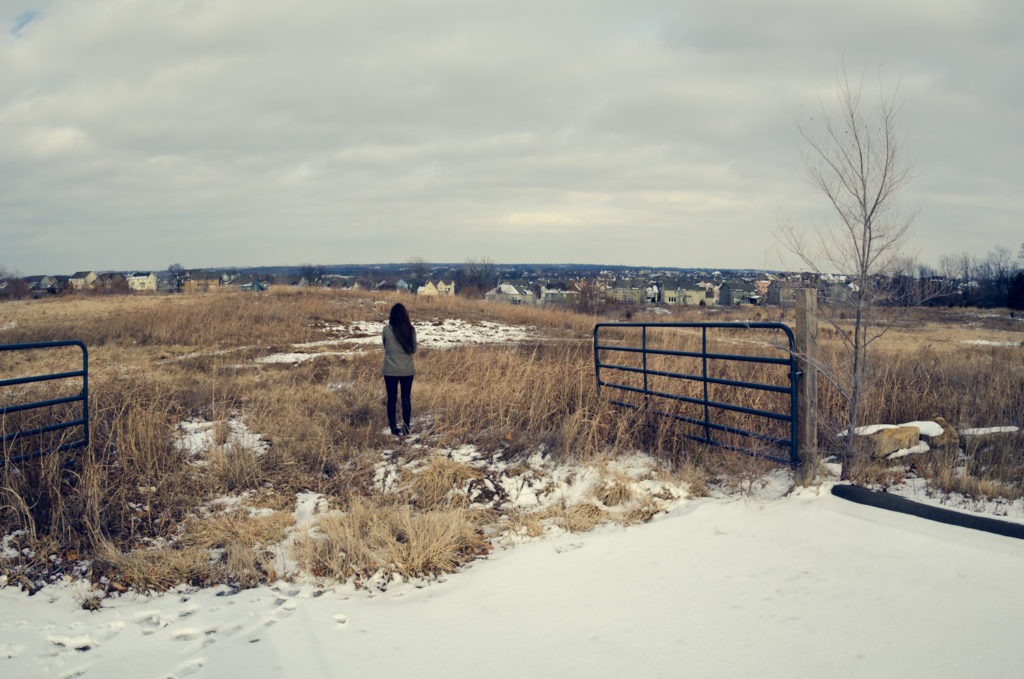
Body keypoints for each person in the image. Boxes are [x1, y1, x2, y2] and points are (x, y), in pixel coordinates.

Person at [382, 302, 416, 436]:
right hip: (407, 370)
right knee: (406, 398)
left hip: (390, 370)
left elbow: (385, 346)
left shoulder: (386, 330)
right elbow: (414, 349)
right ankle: (406, 428)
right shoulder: (410, 329)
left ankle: (393, 428)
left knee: (391, 398)